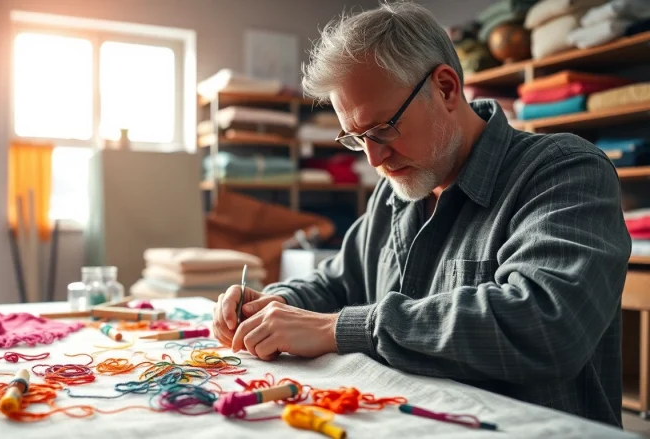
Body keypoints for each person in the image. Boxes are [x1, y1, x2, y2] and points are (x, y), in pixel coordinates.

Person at [211, 0, 631, 428]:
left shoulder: (564, 170)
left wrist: (340, 329)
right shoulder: (396, 188)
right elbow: (339, 280)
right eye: (356, 139)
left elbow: (546, 323)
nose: (374, 159)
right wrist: (278, 304)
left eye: (381, 129)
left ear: (446, 88)